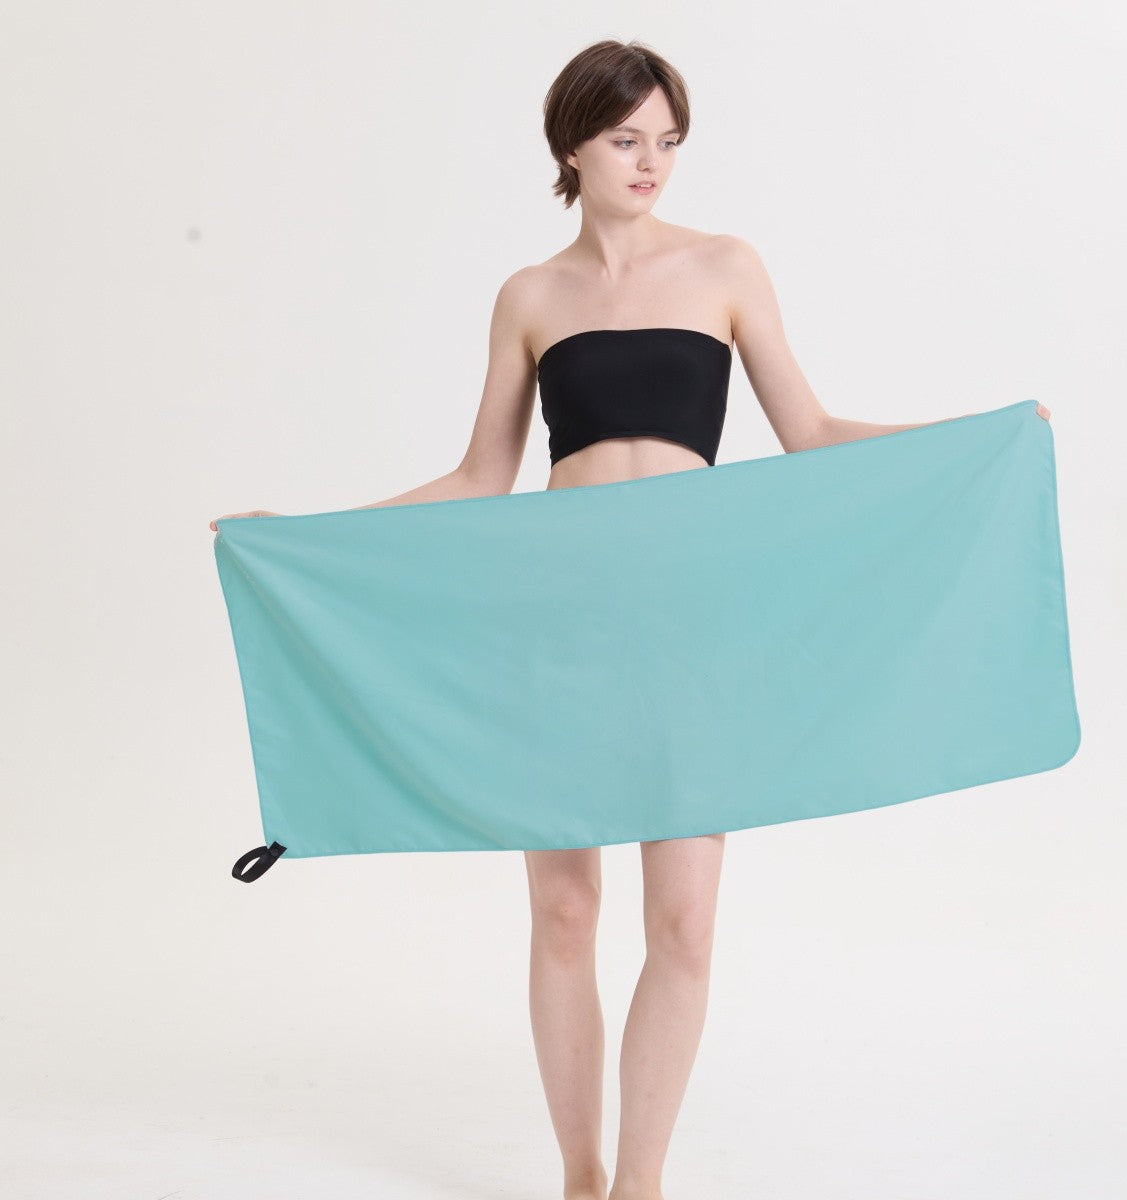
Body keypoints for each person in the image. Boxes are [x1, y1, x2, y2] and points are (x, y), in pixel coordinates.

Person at [211, 37, 1051, 1200]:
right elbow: (481, 476)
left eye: (667, 140)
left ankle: (642, 1184)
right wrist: (308, 534)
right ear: (574, 146)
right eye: (626, 139)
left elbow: (810, 434)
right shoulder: (530, 296)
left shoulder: (725, 267)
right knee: (564, 911)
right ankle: (581, 1176)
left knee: (685, 921)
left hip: (692, 626)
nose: (651, 161)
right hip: (560, 625)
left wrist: (979, 437)